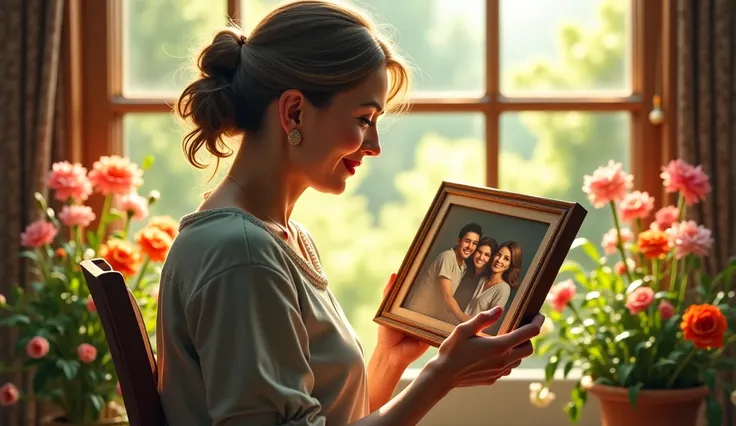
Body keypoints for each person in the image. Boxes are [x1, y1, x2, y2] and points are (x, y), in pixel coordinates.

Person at [155, 1, 544, 425]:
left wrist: (389, 360)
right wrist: (439, 376)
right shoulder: (242, 254)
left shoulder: (283, 238)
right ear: (294, 112)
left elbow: (334, 418)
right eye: (364, 118)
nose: (374, 145)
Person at [402, 223, 482, 324]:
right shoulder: (447, 257)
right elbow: (447, 297)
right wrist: (466, 320)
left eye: (474, 243)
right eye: (467, 241)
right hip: (415, 315)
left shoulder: (463, 267)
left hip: (429, 318)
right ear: (458, 241)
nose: (470, 247)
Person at [464, 241, 523, 335]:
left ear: (510, 265)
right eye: (498, 255)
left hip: (472, 335)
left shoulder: (503, 289)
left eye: (506, 259)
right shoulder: (482, 279)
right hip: (457, 327)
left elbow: (489, 323)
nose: (499, 260)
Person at [453, 237, 498, 312]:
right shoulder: (463, 269)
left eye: (487, 255)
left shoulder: (487, 281)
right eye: (479, 252)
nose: (481, 257)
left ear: (491, 258)